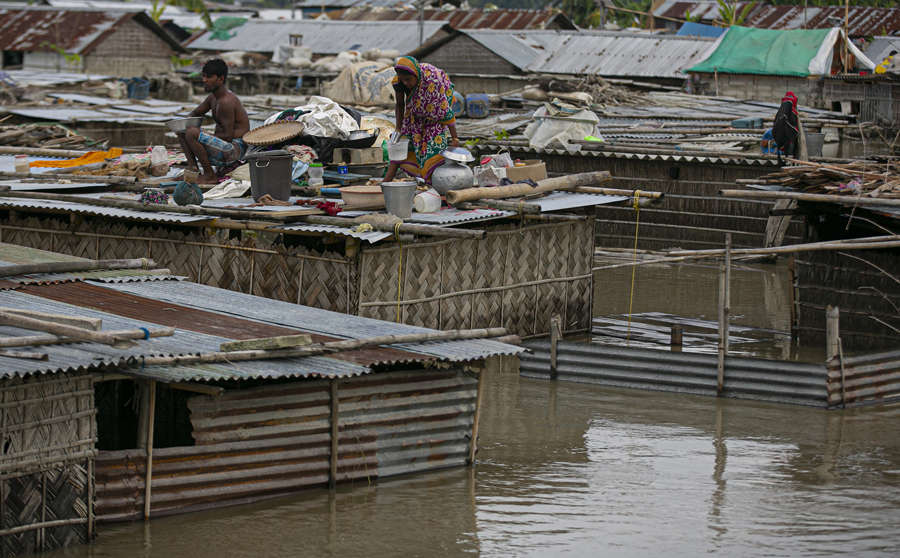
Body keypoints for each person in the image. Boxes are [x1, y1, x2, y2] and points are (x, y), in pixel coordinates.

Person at [383, 56, 459, 184]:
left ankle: (434, 188)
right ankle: (385, 184)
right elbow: (400, 105)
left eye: (408, 80)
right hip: (413, 114)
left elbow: (445, 112)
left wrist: (455, 138)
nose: (406, 83)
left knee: (434, 151)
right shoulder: (398, 82)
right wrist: (398, 128)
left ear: (416, 75)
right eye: (403, 80)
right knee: (402, 146)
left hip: (434, 116)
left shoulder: (432, 82)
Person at [178, 59, 250, 184]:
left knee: (192, 133)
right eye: (204, 76)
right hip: (223, 146)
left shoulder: (226, 102)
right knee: (182, 130)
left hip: (235, 150)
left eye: (209, 77)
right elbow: (195, 113)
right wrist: (185, 123)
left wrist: (200, 133)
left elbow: (227, 136)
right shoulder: (213, 98)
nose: (204, 80)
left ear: (221, 79)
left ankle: (209, 175)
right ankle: (193, 170)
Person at [771, 91, 799, 165]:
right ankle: (792, 160)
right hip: (788, 136)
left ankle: (783, 158)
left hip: (780, 134)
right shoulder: (792, 109)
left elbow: (775, 123)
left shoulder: (781, 109)